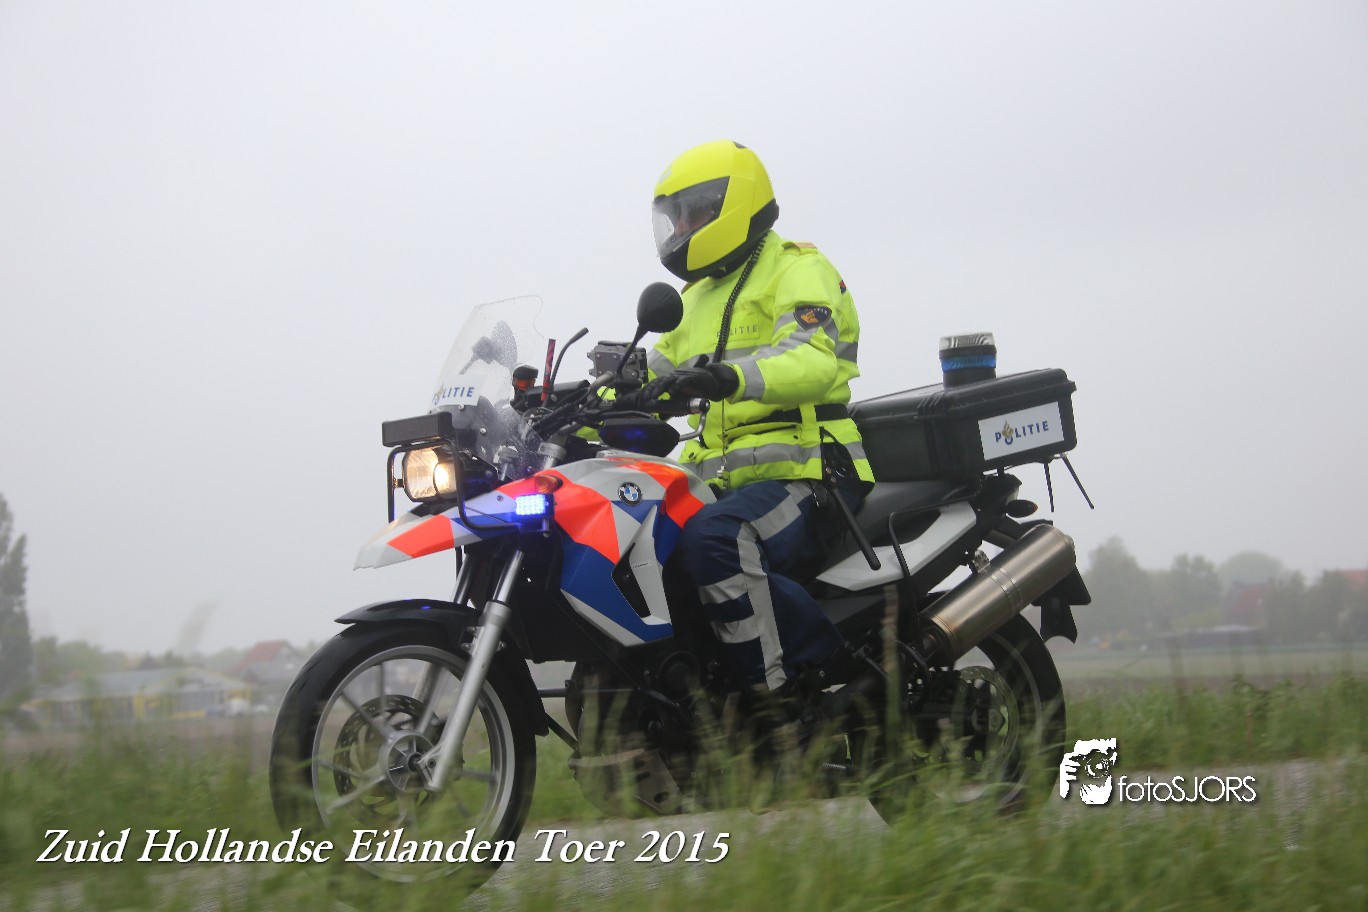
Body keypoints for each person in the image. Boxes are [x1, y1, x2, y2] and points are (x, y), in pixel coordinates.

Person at [647, 139, 875, 697]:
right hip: (727, 484)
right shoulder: (693, 300)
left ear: (733, 204)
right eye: (675, 217)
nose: (682, 227)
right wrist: (566, 404)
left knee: (718, 540)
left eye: (692, 212)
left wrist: (728, 377)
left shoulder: (797, 269)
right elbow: (650, 377)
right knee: (644, 545)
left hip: (811, 472)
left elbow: (813, 359)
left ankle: (785, 695)